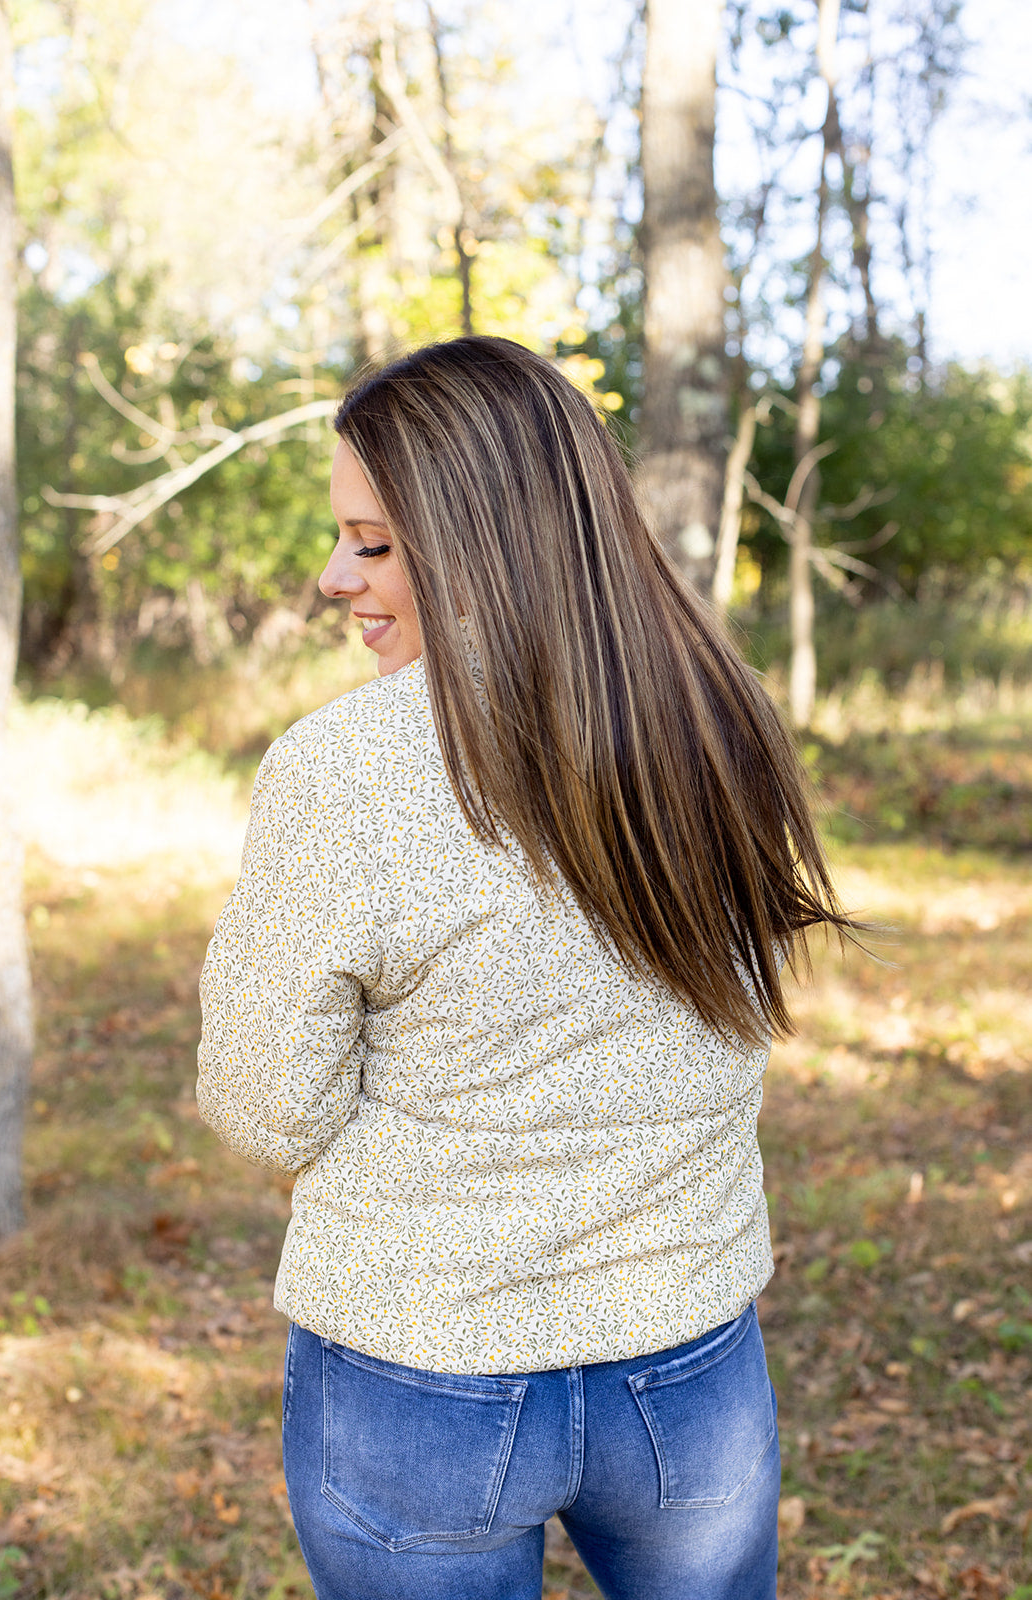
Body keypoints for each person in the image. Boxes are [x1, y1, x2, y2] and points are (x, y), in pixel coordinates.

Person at [196, 335, 855, 1600]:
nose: (333, 577)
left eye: (374, 544)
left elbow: (264, 1102)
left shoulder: (344, 769)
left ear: (479, 537)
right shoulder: (718, 713)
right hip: (687, 1368)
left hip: (419, 1371)